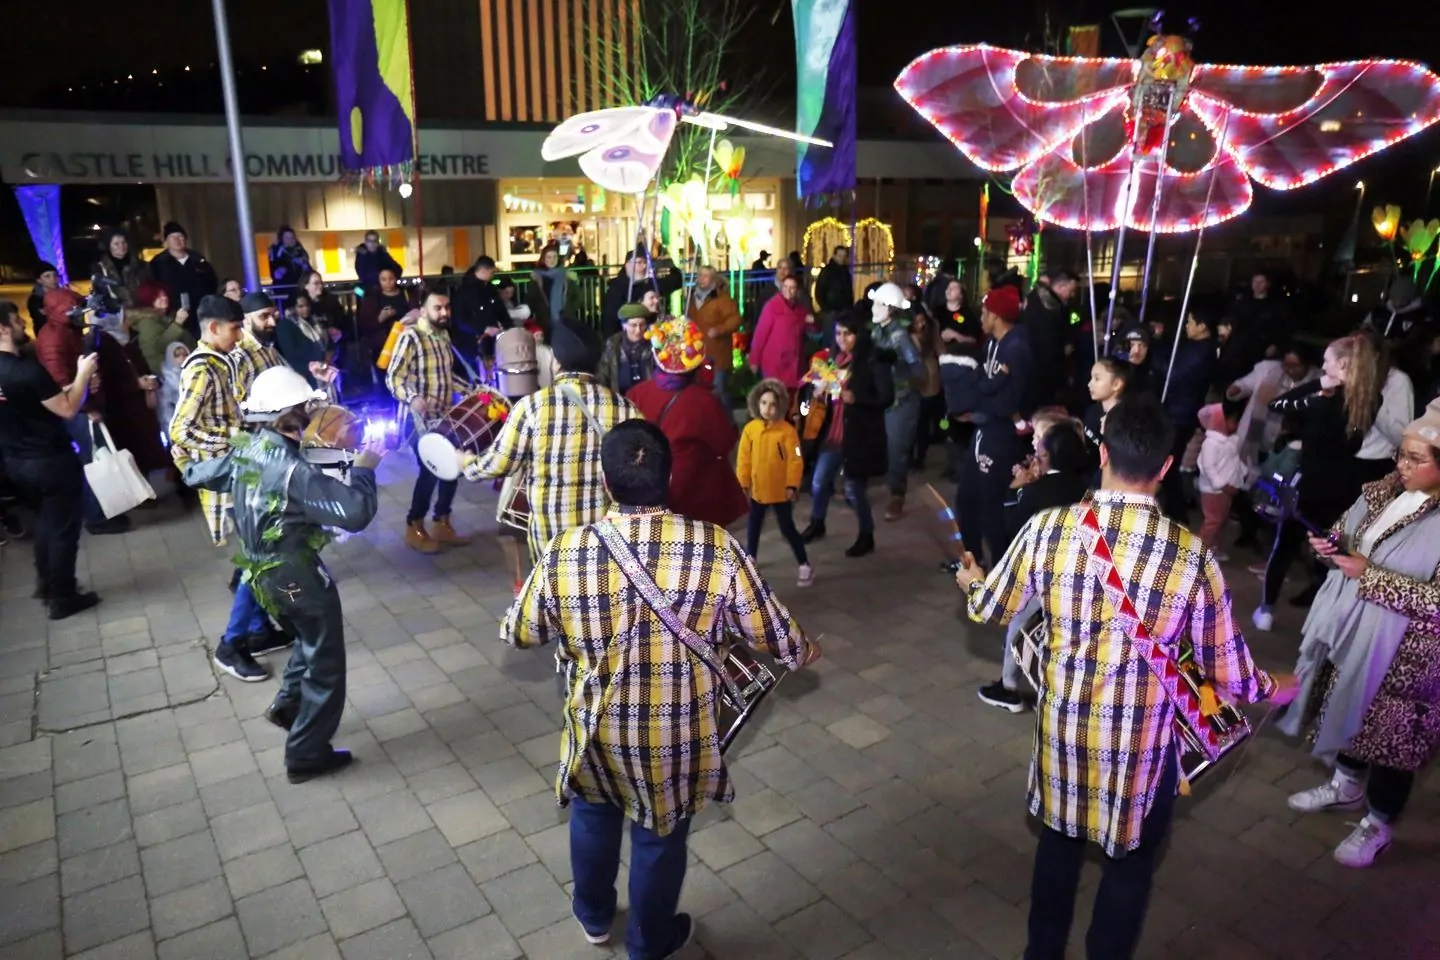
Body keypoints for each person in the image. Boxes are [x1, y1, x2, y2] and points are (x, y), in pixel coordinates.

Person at [957, 393, 1297, 959]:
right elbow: (1227, 672)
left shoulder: (1049, 529)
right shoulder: (1192, 558)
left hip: (1064, 732)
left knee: (1057, 852)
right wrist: (1274, 685)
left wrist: (972, 580)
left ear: (1103, 452)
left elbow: (990, 608)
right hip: (1144, 750)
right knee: (1131, 868)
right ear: (1166, 467)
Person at [500, 419, 819, 956]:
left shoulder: (565, 551)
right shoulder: (716, 549)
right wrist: (803, 651)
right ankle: (650, 942)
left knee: (593, 813)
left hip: (596, 729)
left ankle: (595, 916)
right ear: (669, 478)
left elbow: (520, 631)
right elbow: (782, 639)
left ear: (604, 482)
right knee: (659, 835)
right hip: (676, 734)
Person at [185, 366, 381, 783]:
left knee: (309, 639)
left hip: (258, 573)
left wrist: (187, 466)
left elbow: (201, 474)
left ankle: (288, 707)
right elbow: (355, 513)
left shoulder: (250, 450)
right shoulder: (293, 469)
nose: (312, 412)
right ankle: (306, 754)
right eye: (306, 407)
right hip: (296, 574)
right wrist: (365, 468)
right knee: (326, 660)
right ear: (290, 413)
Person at [1279, 400, 1440, 867]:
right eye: (1401, 455)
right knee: (1348, 707)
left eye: (1416, 458)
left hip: (1412, 655)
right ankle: (1346, 785)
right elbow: (1352, 543)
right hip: (1356, 630)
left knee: (1393, 740)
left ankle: (1380, 821)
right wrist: (1331, 549)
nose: (1402, 466)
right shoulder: (1383, 491)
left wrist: (1368, 574)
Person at [462, 323, 640, 562]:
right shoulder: (625, 409)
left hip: (551, 540)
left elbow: (499, 464)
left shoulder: (533, 406)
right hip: (607, 538)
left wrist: (467, 464)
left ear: (555, 360)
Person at [169, 295, 274, 681]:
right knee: (256, 556)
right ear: (213, 328)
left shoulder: (220, 361)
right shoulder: (202, 368)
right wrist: (238, 441)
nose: (240, 334)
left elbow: (222, 413)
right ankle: (231, 646)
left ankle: (260, 631)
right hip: (229, 474)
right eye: (235, 328)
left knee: (256, 554)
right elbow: (180, 429)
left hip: (238, 474)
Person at [1253, 333, 1380, 631]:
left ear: (1343, 364)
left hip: (1309, 487)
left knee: (1285, 546)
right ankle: (1323, 618)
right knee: (1331, 553)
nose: (1322, 366)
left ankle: (1267, 610)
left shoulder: (1323, 404)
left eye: (1327, 361)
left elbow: (1277, 404)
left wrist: (1316, 387)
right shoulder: (1371, 400)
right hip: (1344, 489)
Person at [0, 301, 101, 619]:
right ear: (2, 329)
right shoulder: (27, 369)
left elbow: (44, 399)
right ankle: (63, 597)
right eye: (16, 321)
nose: (23, 324)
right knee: (63, 530)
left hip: (16, 461)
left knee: (45, 523)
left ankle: (46, 584)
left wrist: (74, 386)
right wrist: (84, 374)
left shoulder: (12, 372)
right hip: (50, 461)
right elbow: (68, 408)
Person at [626, 318, 747, 528]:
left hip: (647, 492)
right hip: (693, 494)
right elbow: (724, 442)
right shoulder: (704, 400)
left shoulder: (636, 394)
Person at [386, 291, 472, 553]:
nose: (444, 313)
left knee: (453, 467)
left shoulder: (443, 336)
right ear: (423, 311)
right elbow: (393, 377)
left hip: (443, 417)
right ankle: (414, 525)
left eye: (447, 307)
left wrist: (472, 389)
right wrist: (412, 398)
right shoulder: (410, 338)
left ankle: (441, 522)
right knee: (431, 470)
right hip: (418, 421)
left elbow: (445, 377)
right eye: (437, 308)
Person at [956, 284, 1036, 569]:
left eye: (985, 312)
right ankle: (972, 561)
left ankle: (1003, 575)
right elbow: (983, 382)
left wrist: (979, 410)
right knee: (966, 498)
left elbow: (1010, 401)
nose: (981, 317)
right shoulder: (992, 343)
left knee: (990, 505)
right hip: (984, 431)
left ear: (996, 316)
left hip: (1001, 437)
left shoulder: (1017, 349)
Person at [802, 313, 891, 557]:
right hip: (834, 431)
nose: (842, 339)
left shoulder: (872, 361)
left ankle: (866, 535)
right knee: (819, 482)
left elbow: (885, 398)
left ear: (858, 335)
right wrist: (819, 393)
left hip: (858, 434)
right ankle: (817, 522)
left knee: (854, 490)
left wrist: (856, 398)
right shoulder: (834, 359)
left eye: (847, 334)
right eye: (839, 333)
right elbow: (827, 391)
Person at [738, 379, 812, 586]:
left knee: (787, 528)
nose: (767, 408)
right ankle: (751, 558)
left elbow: (795, 459)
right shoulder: (750, 430)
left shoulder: (787, 431)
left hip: (781, 491)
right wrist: (743, 483)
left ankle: (804, 564)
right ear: (756, 403)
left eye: (772, 404)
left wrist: (792, 485)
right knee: (754, 524)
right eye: (763, 403)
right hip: (758, 489)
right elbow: (743, 459)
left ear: (779, 406)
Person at [868, 283, 924, 521]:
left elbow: (917, 367)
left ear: (891, 309)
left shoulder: (899, 335)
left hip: (901, 400)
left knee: (897, 448)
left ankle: (896, 496)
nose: (874, 308)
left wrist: (896, 369)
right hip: (883, 396)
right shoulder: (876, 331)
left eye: (879, 304)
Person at [147, 221, 219, 337]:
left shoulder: (198, 260)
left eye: (180, 236)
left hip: (201, 315)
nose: (177, 240)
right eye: (172, 237)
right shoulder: (158, 263)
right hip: (172, 316)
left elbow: (212, 284)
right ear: (166, 241)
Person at [685, 265, 742, 400]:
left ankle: (727, 420)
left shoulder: (723, 299)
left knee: (719, 391)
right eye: (700, 275)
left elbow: (736, 320)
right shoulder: (691, 299)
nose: (701, 279)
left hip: (718, 355)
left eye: (706, 276)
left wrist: (719, 330)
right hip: (696, 354)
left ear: (714, 280)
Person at [1195, 401, 1246, 552]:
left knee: (1220, 520)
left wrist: (1243, 472)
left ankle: (1211, 548)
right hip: (1214, 490)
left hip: (1225, 490)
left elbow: (1233, 462)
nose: (1235, 424)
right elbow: (1208, 468)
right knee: (1213, 521)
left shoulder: (1228, 442)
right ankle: (1197, 552)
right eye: (1232, 420)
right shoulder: (1211, 444)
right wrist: (1223, 485)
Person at [748, 274, 812, 392]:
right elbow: (760, 334)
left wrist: (812, 322)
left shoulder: (800, 310)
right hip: (775, 364)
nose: (788, 290)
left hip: (794, 364)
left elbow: (812, 332)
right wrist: (754, 360)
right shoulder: (772, 306)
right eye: (785, 286)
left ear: (797, 290)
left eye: (792, 287)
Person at [275, 293, 340, 397]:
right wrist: (315, 364)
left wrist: (327, 359)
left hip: (325, 370)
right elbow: (291, 352)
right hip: (304, 374)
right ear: (292, 308)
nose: (305, 309)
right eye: (301, 306)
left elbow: (330, 345)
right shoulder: (286, 326)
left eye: (307, 305)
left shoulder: (316, 323)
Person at [130, 281, 196, 376]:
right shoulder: (147, 322)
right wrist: (177, 324)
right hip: (172, 374)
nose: (164, 298)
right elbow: (161, 346)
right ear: (148, 300)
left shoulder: (162, 317)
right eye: (158, 296)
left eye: (164, 294)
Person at [598, 303, 656, 396]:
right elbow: (602, 377)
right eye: (633, 325)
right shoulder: (613, 345)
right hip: (620, 399)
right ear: (624, 325)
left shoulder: (654, 344)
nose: (638, 330)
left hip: (648, 397)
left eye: (642, 325)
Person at [91, 228, 149, 308]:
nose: (121, 246)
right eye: (116, 244)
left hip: (143, 312)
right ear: (109, 246)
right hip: (117, 315)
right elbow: (100, 294)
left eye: (124, 242)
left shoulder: (141, 265)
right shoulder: (100, 268)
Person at [525, 243, 573, 330]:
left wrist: (570, 309)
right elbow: (530, 298)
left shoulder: (564, 274)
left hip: (564, 318)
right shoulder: (537, 276)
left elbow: (577, 296)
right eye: (549, 257)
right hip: (544, 320)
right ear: (543, 259)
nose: (552, 260)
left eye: (555, 257)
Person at [267, 225, 313, 294]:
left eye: (292, 237)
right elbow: (275, 272)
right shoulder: (276, 252)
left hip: (301, 288)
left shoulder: (300, 251)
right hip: (284, 289)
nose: (290, 240)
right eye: (287, 238)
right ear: (282, 239)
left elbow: (308, 268)